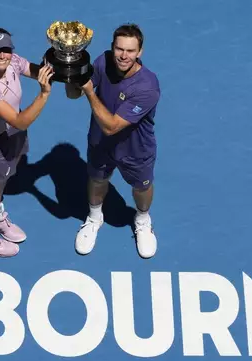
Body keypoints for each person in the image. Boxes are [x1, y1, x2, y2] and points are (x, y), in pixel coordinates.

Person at [66, 23, 161, 258]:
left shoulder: (148, 86)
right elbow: (72, 93)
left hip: (135, 150)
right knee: (97, 180)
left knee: (141, 188)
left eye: (130, 51)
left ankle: (142, 219)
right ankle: (94, 217)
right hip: (100, 144)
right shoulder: (103, 61)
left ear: (140, 52)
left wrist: (89, 91)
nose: (123, 55)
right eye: (119, 49)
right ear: (112, 47)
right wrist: (71, 69)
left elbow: (112, 126)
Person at [0, 27, 54, 257]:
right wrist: (43, 94)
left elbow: (38, 71)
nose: (3, 56)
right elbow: (18, 121)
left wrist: (57, 62)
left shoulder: (13, 61)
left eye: (6, 50)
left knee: (2, 182)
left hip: (13, 139)